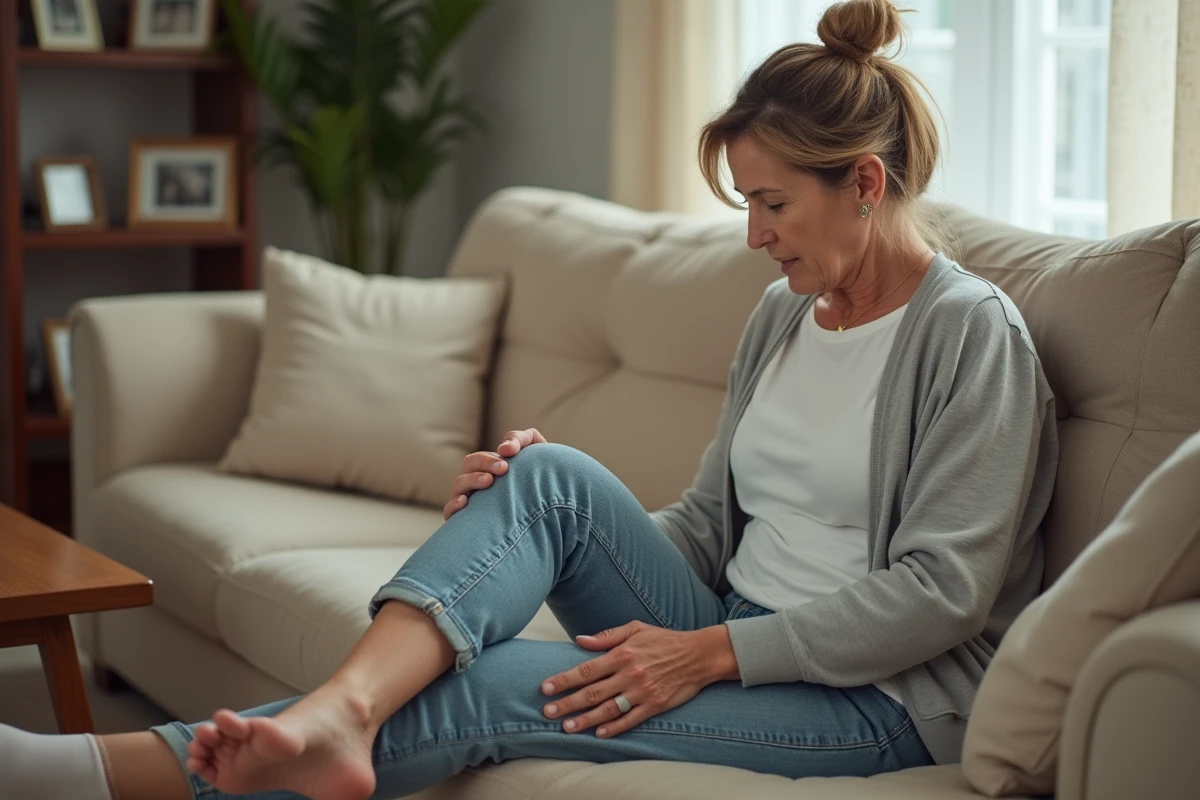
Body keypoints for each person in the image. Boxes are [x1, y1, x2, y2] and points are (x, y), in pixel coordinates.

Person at [0, 1, 1059, 799]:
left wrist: (714, 652)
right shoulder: (785, 313)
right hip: (725, 620)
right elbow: (704, 522)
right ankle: (338, 709)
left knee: (495, 684)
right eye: (747, 205)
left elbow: (940, 591)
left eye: (773, 203)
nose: (754, 235)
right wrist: (542, 527)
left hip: (871, 700)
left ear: (865, 184)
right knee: (543, 472)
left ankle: (96, 772)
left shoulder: (969, 334)